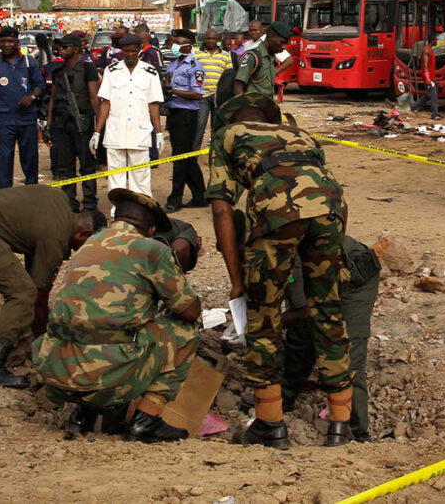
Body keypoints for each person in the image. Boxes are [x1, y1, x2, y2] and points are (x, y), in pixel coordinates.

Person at [207, 92, 353, 448]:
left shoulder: (227, 136)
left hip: (275, 214)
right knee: (328, 312)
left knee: (264, 317)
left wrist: (237, 281)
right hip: (332, 209)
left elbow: (221, 209)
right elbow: (323, 186)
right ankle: (340, 425)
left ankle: (271, 425)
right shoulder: (300, 134)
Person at [34, 188, 202, 444]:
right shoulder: (152, 250)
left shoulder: (88, 244)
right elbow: (189, 310)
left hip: (55, 365)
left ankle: (83, 414)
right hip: (106, 373)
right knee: (185, 329)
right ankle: (147, 420)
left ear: (115, 220)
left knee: (99, 325)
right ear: (151, 230)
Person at [0, 185, 105, 387]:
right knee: (22, 293)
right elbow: (39, 293)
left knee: (24, 286)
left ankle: (21, 341)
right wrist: (46, 344)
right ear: (84, 233)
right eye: (87, 245)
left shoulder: (59, 202)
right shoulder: (56, 238)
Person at [283, 234, 381, 442]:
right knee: (302, 335)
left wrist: (266, 323)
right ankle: (283, 397)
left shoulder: (288, 255)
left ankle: (356, 433)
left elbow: (304, 311)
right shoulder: (263, 251)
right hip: (324, 273)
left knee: (348, 355)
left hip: (356, 280)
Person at [91, 33, 164, 203]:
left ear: (139, 50)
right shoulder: (111, 71)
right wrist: (97, 132)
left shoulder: (150, 72)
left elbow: (153, 104)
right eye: (126, 51)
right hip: (115, 132)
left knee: (141, 181)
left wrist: (159, 133)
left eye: (133, 51)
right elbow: (105, 103)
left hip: (140, 133)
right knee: (116, 180)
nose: (130, 54)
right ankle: (118, 213)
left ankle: (143, 214)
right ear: (121, 51)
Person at [0, 26, 45, 189]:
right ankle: (3, 196)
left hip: (27, 119)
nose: (7, 44)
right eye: (3, 41)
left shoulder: (29, 62)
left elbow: (39, 85)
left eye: (10, 41)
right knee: (4, 159)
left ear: (17, 43)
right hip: (3, 120)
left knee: (30, 159)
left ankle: (32, 192)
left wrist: (32, 97)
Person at [46, 33, 100, 212]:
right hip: (62, 124)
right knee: (66, 166)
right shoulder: (58, 70)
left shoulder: (87, 68)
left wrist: (99, 126)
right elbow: (53, 100)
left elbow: (94, 97)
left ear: (76, 49)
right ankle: (69, 203)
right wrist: (49, 124)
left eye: (65, 46)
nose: (60, 49)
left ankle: (90, 203)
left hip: (82, 123)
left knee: (87, 165)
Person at [165, 28, 207, 213]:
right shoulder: (173, 64)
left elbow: (197, 94)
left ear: (189, 46)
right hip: (173, 113)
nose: (174, 46)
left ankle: (175, 199)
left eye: (178, 43)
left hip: (187, 115)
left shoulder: (195, 67)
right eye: (173, 42)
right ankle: (201, 196)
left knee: (180, 159)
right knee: (187, 157)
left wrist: (173, 91)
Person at [194, 28, 233, 150]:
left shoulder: (225, 56)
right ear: (204, 39)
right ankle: (193, 156)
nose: (211, 41)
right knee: (199, 126)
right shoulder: (196, 54)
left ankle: (215, 155)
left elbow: (229, 77)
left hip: (218, 97)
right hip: (202, 96)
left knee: (217, 128)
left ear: (218, 40)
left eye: (213, 38)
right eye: (208, 38)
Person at [233, 21, 291, 99]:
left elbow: (289, 60)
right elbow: (238, 86)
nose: (284, 47)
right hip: (253, 107)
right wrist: (245, 108)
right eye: (282, 42)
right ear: (271, 36)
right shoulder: (251, 56)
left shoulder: (271, 58)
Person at [409, 35, 441, 119]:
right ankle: (435, 113)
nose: (437, 42)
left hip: (431, 76)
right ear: (432, 40)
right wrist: (427, 77)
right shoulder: (426, 50)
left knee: (428, 95)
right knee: (433, 95)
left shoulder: (429, 49)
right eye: (436, 40)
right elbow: (425, 64)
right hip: (428, 76)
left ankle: (413, 106)